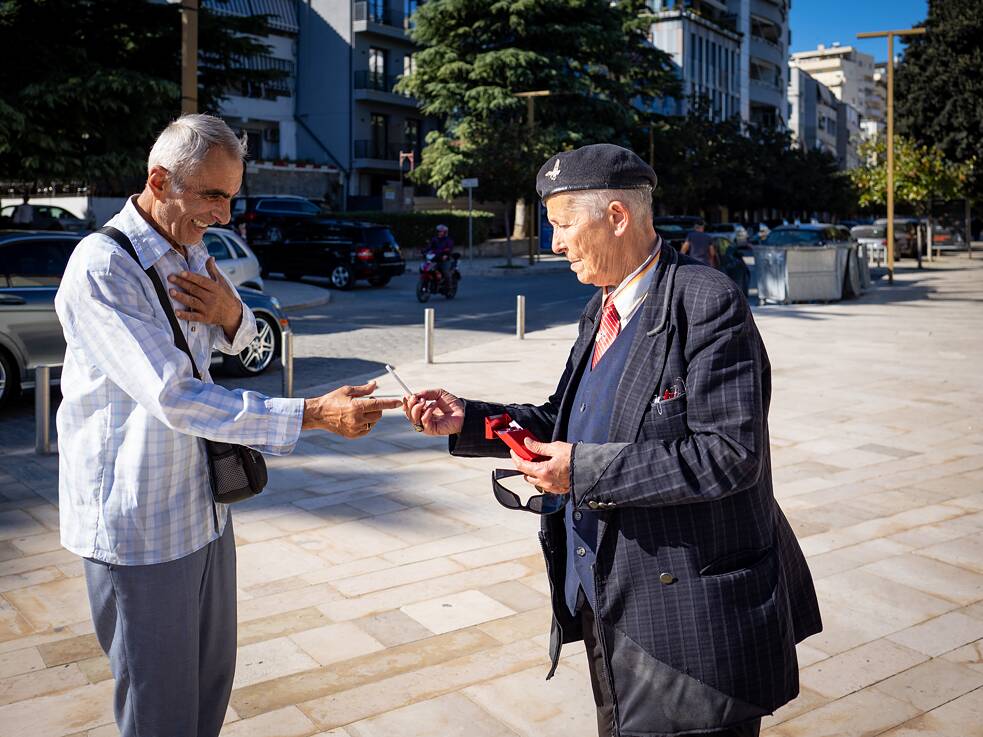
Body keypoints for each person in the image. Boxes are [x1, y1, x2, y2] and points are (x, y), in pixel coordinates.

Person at [403, 143, 821, 737]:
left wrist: (583, 471)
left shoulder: (705, 302)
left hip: (689, 625)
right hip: (610, 601)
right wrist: (468, 419)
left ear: (618, 216)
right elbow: (563, 422)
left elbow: (729, 456)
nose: (555, 243)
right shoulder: (600, 310)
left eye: (564, 225)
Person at [54, 114, 401, 737]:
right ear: (160, 181)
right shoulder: (104, 268)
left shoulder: (192, 249)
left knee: (209, 693)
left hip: (205, 510)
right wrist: (314, 413)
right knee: (160, 712)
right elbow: (176, 395)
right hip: (140, 527)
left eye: (231, 198)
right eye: (212, 196)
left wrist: (235, 313)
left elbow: (239, 348)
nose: (224, 215)